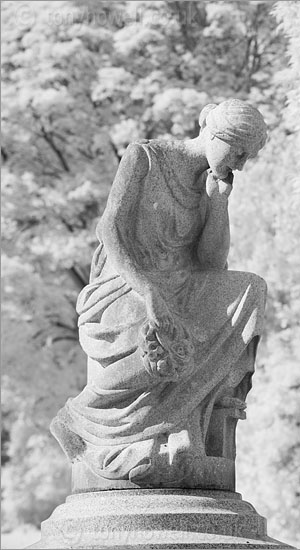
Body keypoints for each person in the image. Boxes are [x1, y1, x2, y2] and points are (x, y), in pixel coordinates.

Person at [51, 99, 268, 488]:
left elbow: (211, 262)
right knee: (165, 335)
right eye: (237, 152)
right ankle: (81, 416)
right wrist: (149, 290)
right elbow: (109, 231)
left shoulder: (210, 184)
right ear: (214, 134)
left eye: (246, 157)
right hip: (124, 285)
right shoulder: (145, 157)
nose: (240, 164)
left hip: (181, 285)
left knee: (251, 289)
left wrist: (218, 203)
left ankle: (178, 429)